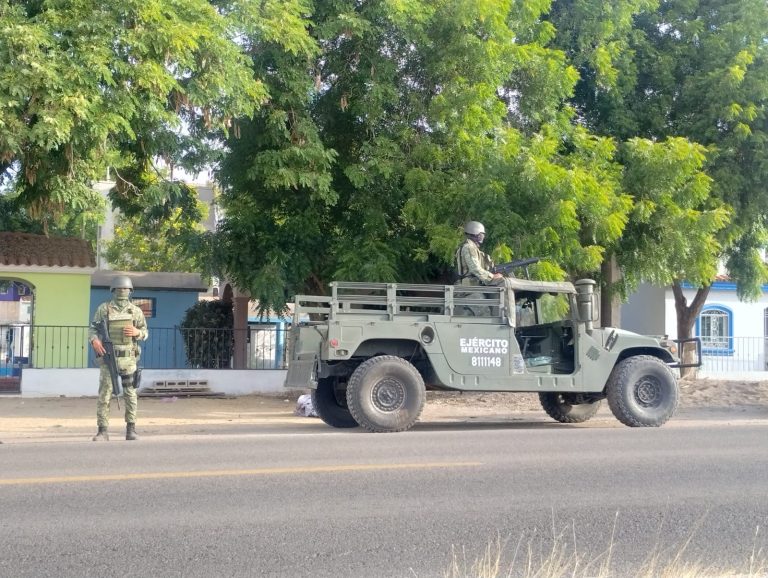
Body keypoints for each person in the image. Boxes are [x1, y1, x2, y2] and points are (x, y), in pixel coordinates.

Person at [88, 275, 148, 441]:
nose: (122, 291)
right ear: (113, 290)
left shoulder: (136, 311)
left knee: (130, 394)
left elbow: (145, 332)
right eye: (119, 288)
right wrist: (94, 340)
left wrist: (138, 333)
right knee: (105, 394)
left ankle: (131, 429)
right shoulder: (104, 309)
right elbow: (92, 328)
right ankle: (102, 431)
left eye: (125, 289)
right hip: (109, 358)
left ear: (130, 291)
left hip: (129, 360)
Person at [454, 221, 515, 322]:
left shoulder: (474, 248)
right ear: (476, 233)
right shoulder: (468, 247)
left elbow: (485, 264)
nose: (483, 236)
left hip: (472, 287)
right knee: (484, 311)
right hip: (469, 288)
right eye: (482, 234)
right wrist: (491, 277)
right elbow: (475, 268)